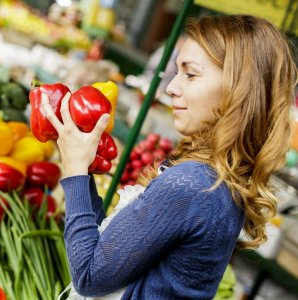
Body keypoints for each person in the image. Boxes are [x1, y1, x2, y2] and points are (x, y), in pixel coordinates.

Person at [41, 15, 297, 299]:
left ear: (240, 91)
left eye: (190, 74)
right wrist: (84, 171)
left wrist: (75, 170)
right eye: (176, 72)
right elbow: (108, 251)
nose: (171, 88)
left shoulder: (192, 185)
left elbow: (89, 276)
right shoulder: (215, 179)